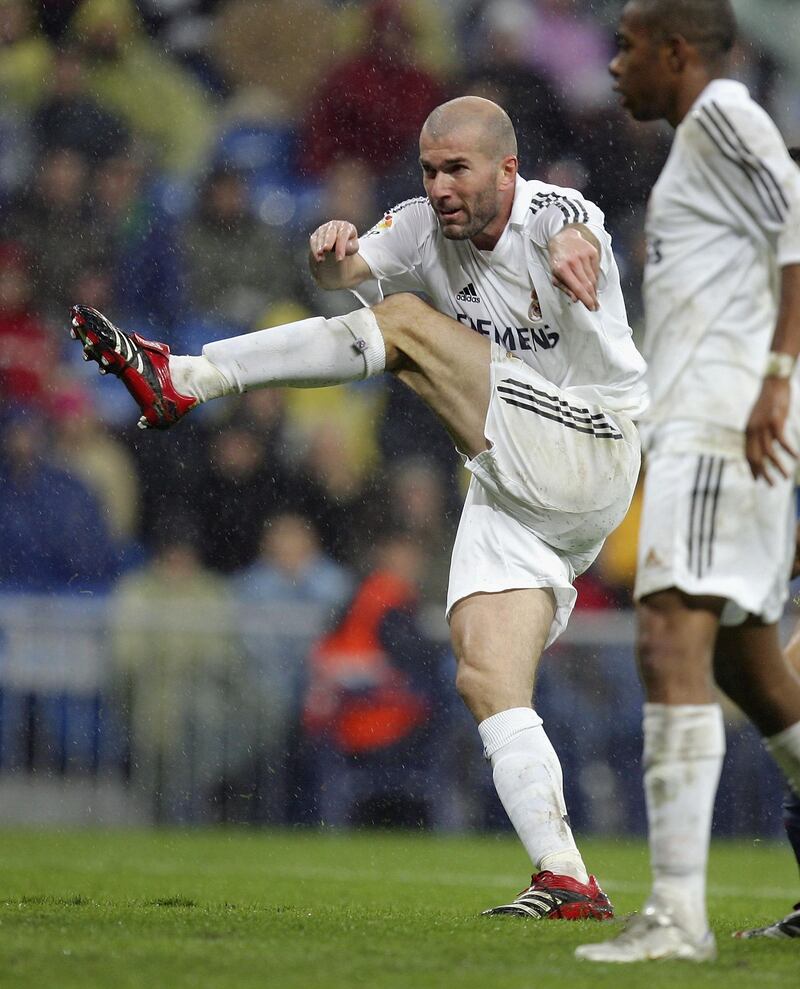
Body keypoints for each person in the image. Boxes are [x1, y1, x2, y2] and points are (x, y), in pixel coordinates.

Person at [68, 95, 647, 919]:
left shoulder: (551, 209)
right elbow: (344, 278)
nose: (440, 185)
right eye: (429, 168)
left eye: (458, 169)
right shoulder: (416, 225)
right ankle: (566, 876)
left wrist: (577, 253)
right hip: (514, 486)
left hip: (592, 444)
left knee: (407, 328)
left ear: (507, 169)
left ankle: (185, 377)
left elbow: (577, 229)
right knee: (485, 674)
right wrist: (331, 252)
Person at [576, 0, 800, 964]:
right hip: (707, 423)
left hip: (720, 427)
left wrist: (779, 377)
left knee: (670, 636)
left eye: (626, 47)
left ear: (675, 50)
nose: (613, 64)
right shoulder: (697, 143)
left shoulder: (724, 116)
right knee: (753, 668)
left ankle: (676, 914)